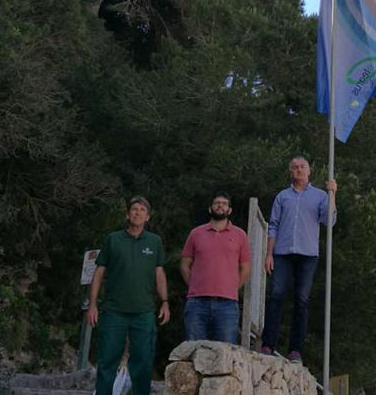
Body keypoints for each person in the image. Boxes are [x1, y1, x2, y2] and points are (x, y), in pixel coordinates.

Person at [87, 196, 170, 395]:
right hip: (113, 311)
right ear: (127, 214)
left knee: (142, 361)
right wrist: (92, 304)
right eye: (134, 209)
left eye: (142, 210)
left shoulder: (154, 242)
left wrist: (165, 302)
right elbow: (99, 272)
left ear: (147, 217)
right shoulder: (113, 239)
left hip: (144, 312)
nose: (137, 212)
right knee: (107, 359)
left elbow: (159, 273)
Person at [260, 156, 336, 363]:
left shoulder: (320, 196)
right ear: (290, 172)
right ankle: (267, 345)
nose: (299, 170)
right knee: (276, 296)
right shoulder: (282, 196)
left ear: (309, 171)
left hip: (308, 255)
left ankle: (295, 350)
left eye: (302, 167)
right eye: (295, 167)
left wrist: (333, 194)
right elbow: (273, 225)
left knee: (301, 300)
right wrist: (268, 254)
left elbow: (329, 221)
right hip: (282, 253)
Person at [180, 192, 252, 343]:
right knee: (193, 352)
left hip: (227, 305)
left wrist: (232, 288)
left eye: (224, 203)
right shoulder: (196, 233)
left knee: (225, 356)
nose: (220, 206)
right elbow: (185, 265)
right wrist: (194, 286)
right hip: (196, 303)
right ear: (210, 208)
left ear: (230, 210)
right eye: (217, 203)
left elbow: (245, 269)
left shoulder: (240, 235)